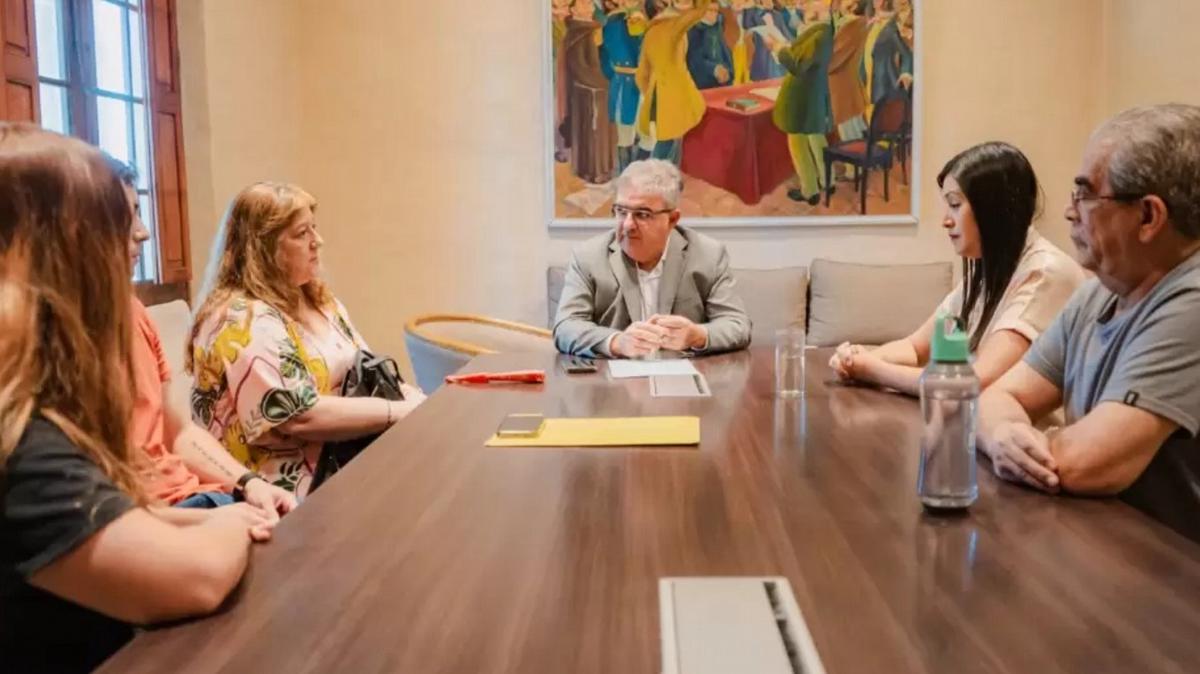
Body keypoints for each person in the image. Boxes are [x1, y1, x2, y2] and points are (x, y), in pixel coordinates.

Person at [0, 123, 274, 673]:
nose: (143, 236)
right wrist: (231, 523)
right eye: (119, 225)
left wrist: (237, 503)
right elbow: (191, 581)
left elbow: (106, 523)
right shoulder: (23, 442)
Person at [976, 104, 1200, 542]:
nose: (1068, 211)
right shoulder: (1099, 291)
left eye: (1085, 194)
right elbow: (999, 395)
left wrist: (1024, 439)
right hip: (1104, 547)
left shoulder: (1191, 302)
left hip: (1172, 582)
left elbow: (1088, 465)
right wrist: (1002, 432)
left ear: (1149, 217)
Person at [187, 182, 425, 500]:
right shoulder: (241, 319)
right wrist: (398, 412)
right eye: (302, 234)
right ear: (263, 249)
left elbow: (367, 372)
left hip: (342, 461)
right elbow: (299, 416)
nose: (318, 241)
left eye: (314, 228)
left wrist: (418, 401)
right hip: (278, 490)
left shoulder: (319, 302)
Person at [104, 156, 296, 515]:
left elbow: (178, 432)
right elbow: (294, 414)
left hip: (201, 498)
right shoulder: (47, 340)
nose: (143, 231)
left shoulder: (132, 311)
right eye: (125, 215)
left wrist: (249, 484)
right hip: (161, 517)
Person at [830, 142, 1085, 396]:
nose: (946, 220)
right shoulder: (989, 270)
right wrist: (855, 359)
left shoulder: (1045, 273)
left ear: (993, 208)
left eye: (955, 204)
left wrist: (871, 369)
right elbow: (915, 348)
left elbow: (975, 382)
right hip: (976, 427)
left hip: (1030, 433)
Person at [553, 159, 752, 357]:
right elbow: (566, 326)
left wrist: (697, 335)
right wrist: (616, 342)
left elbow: (737, 325)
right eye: (621, 212)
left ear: (672, 219)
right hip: (612, 382)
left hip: (685, 380)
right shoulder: (589, 257)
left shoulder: (707, 255)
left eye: (642, 214)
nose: (628, 225)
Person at [770, 0, 835, 204]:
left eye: (809, 2)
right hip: (812, 94)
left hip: (801, 96)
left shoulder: (819, 34)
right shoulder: (824, 29)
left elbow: (797, 64)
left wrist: (778, 48)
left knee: (798, 141)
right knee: (816, 138)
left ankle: (810, 190)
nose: (803, 5)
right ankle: (828, 181)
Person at [635, 0, 712, 163]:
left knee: (667, 141)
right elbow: (699, 12)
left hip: (658, 93)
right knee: (668, 144)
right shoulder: (673, 25)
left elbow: (642, 74)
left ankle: (660, 178)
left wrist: (651, 92)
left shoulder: (652, 30)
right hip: (674, 94)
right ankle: (657, 180)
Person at [564, 0, 618, 183]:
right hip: (587, 94)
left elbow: (605, 58)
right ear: (572, 10)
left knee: (605, 132)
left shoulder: (595, 29)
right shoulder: (576, 34)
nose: (588, 7)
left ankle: (606, 169)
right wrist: (605, 83)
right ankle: (593, 173)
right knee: (592, 134)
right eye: (583, 4)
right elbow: (580, 68)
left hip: (602, 89)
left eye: (589, 3)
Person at [601, 0, 649, 171]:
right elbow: (606, 58)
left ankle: (640, 174)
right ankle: (627, 176)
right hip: (624, 83)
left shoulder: (647, 19)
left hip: (645, 84)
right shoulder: (613, 22)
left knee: (649, 133)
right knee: (625, 134)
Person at [686, 3, 733, 90]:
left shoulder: (717, 28)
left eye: (716, 11)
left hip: (721, 83)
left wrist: (728, 71)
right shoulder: (694, 30)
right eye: (710, 10)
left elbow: (725, 53)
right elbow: (694, 60)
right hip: (702, 83)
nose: (714, 14)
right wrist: (714, 69)